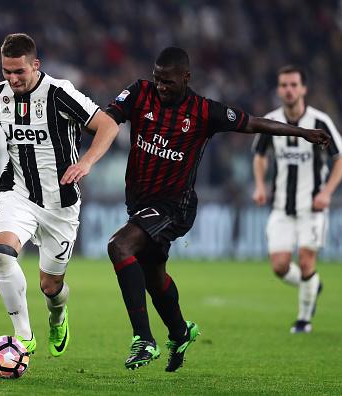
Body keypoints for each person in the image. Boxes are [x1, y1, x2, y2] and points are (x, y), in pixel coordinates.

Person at [104, 47, 330, 372]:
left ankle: (144, 339)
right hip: (140, 204)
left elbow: (253, 123)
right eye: (157, 79)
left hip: (174, 207)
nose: (161, 87)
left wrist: (303, 133)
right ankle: (180, 333)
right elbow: (106, 119)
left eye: (167, 81)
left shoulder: (203, 111)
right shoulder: (140, 93)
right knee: (154, 277)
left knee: (119, 246)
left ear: (186, 78)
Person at [0, 33, 119, 357]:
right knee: (2, 253)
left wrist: (87, 161)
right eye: (7, 71)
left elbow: (108, 126)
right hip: (16, 192)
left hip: (60, 204)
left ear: (35, 65)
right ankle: (23, 336)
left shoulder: (59, 93)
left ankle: (57, 315)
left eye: (19, 71)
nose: (13, 78)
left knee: (51, 287)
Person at [252, 65, 342, 334]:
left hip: (312, 207)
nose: (288, 90)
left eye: (293, 85)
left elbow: (339, 158)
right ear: (278, 89)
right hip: (281, 206)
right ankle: (311, 284)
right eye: (283, 85)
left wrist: (326, 193)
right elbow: (259, 155)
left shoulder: (320, 122)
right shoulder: (271, 120)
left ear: (303, 89)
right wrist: (259, 186)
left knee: (305, 261)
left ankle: (303, 320)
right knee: (279, 266)